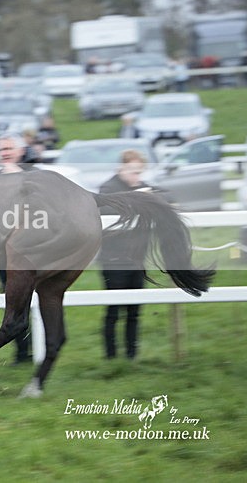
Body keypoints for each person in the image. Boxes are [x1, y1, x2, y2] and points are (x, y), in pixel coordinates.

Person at [98, 149, 152, 360]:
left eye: (139, 172)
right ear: (121, 167)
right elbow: (111, 213)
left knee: (134, 311)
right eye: (132, 171)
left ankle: (131, 355)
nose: (136, 176)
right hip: (114, 260)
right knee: (113, 310)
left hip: (138, 259)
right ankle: (110, 356)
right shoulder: (108, 188)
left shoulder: (142, 187)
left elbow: (167, 196)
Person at [0, 133, 34, 364]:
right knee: (15, 304)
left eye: (9, 148)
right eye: (2, 149)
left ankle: (33, 350)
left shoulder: (32, 179)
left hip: (30, 250)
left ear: (21, 151)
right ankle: (22, 353)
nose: (5, 152)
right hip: (3, 253)